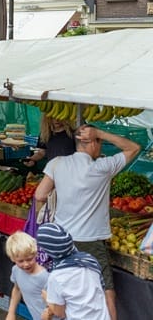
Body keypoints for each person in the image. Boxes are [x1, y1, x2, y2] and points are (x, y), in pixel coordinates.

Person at [33, 124, 139, 320]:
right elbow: (133, 148)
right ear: (92, 143)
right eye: (99, 142)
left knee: (66, 286)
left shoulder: (57, 163)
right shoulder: (102, 167)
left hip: (63, 239)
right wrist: (100, 133)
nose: (101, 148)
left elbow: (40, 195)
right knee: (105, 288)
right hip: (92, 241)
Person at [36, 223, 109, 320]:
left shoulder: (56, 276)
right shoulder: (89, 260)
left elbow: (60, 313)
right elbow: (101, 290)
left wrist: (48, 299)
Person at [5, 231, 48, 320]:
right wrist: (11, 312)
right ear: (13, 259)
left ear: (36, 254)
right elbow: (17, 288)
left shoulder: (44, 276)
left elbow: (56, 302)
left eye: (29, 259)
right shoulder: (16, 270)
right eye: (21, 261)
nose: (26, 264)